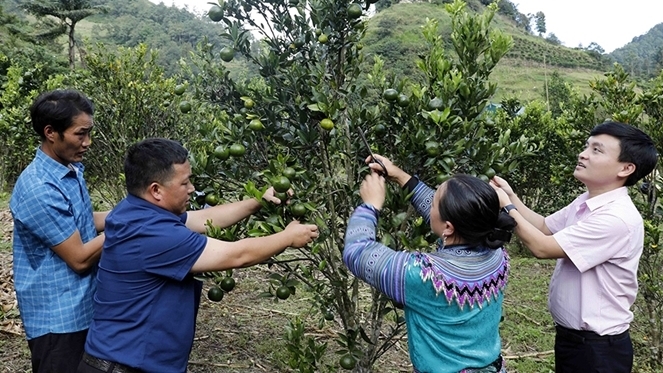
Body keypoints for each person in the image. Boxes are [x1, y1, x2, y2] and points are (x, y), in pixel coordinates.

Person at [78, 138, 319, 373]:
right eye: (185, 183)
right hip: (124, 366)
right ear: (156, 190)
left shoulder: (134, 210)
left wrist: (257, 201)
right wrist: (288, 237)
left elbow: (203, 219)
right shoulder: (155, 235)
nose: (192, 188)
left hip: (117, 360)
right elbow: (237, 255)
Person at [490, 121, 658, 373]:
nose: (583, 154)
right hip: (574, 340)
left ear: (626, 168)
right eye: (586, 146)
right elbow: (545, 226)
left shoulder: (615, 219)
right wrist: (511, 196)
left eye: (597, 150)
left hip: (597, 349)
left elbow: (542, 247)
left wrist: (507, 208)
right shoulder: (589, 201)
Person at [343, 154, 516, 373]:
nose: (430, 204)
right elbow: (443, 213)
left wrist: (370, 206)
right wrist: (398, 175)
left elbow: (356, 252)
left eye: (435, 203)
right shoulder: (495, 252)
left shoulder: (425, 275)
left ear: (449, 227)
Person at [9, 89, 108, 373]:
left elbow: (82, 220)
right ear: (51, 132)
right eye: (80, 134)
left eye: (89, 133)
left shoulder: (69, 170)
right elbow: (79, 258)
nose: (87, 142)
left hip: (83, 308)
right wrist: (135, 223)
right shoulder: (39, 186)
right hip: (59, 320)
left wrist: (127, 213)